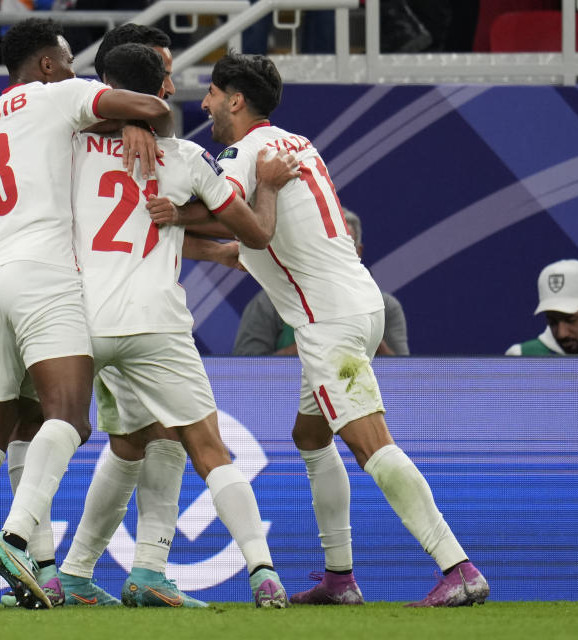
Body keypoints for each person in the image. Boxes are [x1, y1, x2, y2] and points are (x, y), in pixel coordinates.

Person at [153, 52, 489, 607]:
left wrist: (165, 213)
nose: (205, 103)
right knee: (310, 437)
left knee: (370, 444)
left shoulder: (245, 153)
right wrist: (187, 239)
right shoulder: (295, 143)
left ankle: (458, 567)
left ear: (236, 100)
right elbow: (250, 247)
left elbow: (229, 215)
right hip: (353, 301)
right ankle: (340, 579)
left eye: (212, 93)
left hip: (328, 319)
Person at [51, 42, 296, 610]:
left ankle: (70, 569)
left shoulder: (68, 150)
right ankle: (263, 574)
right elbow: (257, 234)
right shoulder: (185, 158)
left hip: (83, 317)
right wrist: (266, 189)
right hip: (155, 321)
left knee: (131, 439)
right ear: (151, 90)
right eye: (165, 78)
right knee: (204, 444)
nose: (173, 90)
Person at [0, 17, 172, 610]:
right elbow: (155, 105)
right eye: (69, 60)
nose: (76, 71)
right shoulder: (59, 95)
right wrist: (132, 116)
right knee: (70, 416)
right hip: (43, 272)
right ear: (46, 64)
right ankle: (18, 538)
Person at [233, 208, 410, 356]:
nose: (333, 254)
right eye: (325, 246)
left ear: (358, 252)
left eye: (343, 246)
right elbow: (244, 374)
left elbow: (405, 379)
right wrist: (319, 343)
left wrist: (364, 332)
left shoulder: (386, 307)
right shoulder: (269, 303)